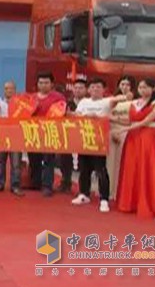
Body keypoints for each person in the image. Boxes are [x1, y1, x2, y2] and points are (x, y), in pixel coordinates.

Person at [115, 78, 155, 219]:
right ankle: (130, 202)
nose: (142, 90)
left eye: (145, 87)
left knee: (147, 168)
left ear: (153, 88)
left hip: (147, 137)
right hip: (133, 138)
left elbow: (146, 121)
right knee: (132, 168)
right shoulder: (134, 103)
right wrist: (111, 118)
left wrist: (124, 129)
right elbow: (129, 120)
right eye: (140, 87)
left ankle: (150, 203)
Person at [71, 78, 127, 212]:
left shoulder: (107, 101)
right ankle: (84, 194)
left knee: (101, 170)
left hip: (99, 142)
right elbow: (76, 115)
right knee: (84, 169)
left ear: (103, 90)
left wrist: (123, 93)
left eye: (98, 87)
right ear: (89, 90)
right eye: (93, 87)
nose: (95, 89)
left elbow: (122, 98)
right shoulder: (84, 102)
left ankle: (104, 199)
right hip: (85, 139)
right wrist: (85, 116)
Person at [28, 72, 65, 197]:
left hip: (50, 132)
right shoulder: (31, 98)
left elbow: (61, 113)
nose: (43, 85)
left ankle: (47, 186)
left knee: (48, 160)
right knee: (34, 159)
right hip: (33, 132)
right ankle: (35, 182)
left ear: (52, 84)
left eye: (46, 83)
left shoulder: (58, 97)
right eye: (41, 83)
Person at [0, 80, 24, 196]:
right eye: (6, 88)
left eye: (11, 88)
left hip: (16, 136)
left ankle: (15, 186)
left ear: (15, 90)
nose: (8, 90)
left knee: (16, 163)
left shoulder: (20, 103)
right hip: (2, 135)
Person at [107, 75, 136, 200]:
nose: (124, 87)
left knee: (121, 163)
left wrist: (117, 120)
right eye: (122, 84)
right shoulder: (113, 99)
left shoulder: (136, 102)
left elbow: (133, 120)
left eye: (128, 85)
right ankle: (108, 190)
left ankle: (120, 192)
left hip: (126, 132)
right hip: (111, 131)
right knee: (110, 163)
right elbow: (106, 115)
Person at [57, 78, 88, 193]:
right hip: (68, 135)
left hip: (85, 136)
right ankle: (66, 182)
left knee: (84, 163)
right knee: (64, 160)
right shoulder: (66, 103)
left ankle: (84, 188)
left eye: (81, 88)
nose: (78, 90)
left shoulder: (89, 103)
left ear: (86, 90)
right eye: (76, 88)